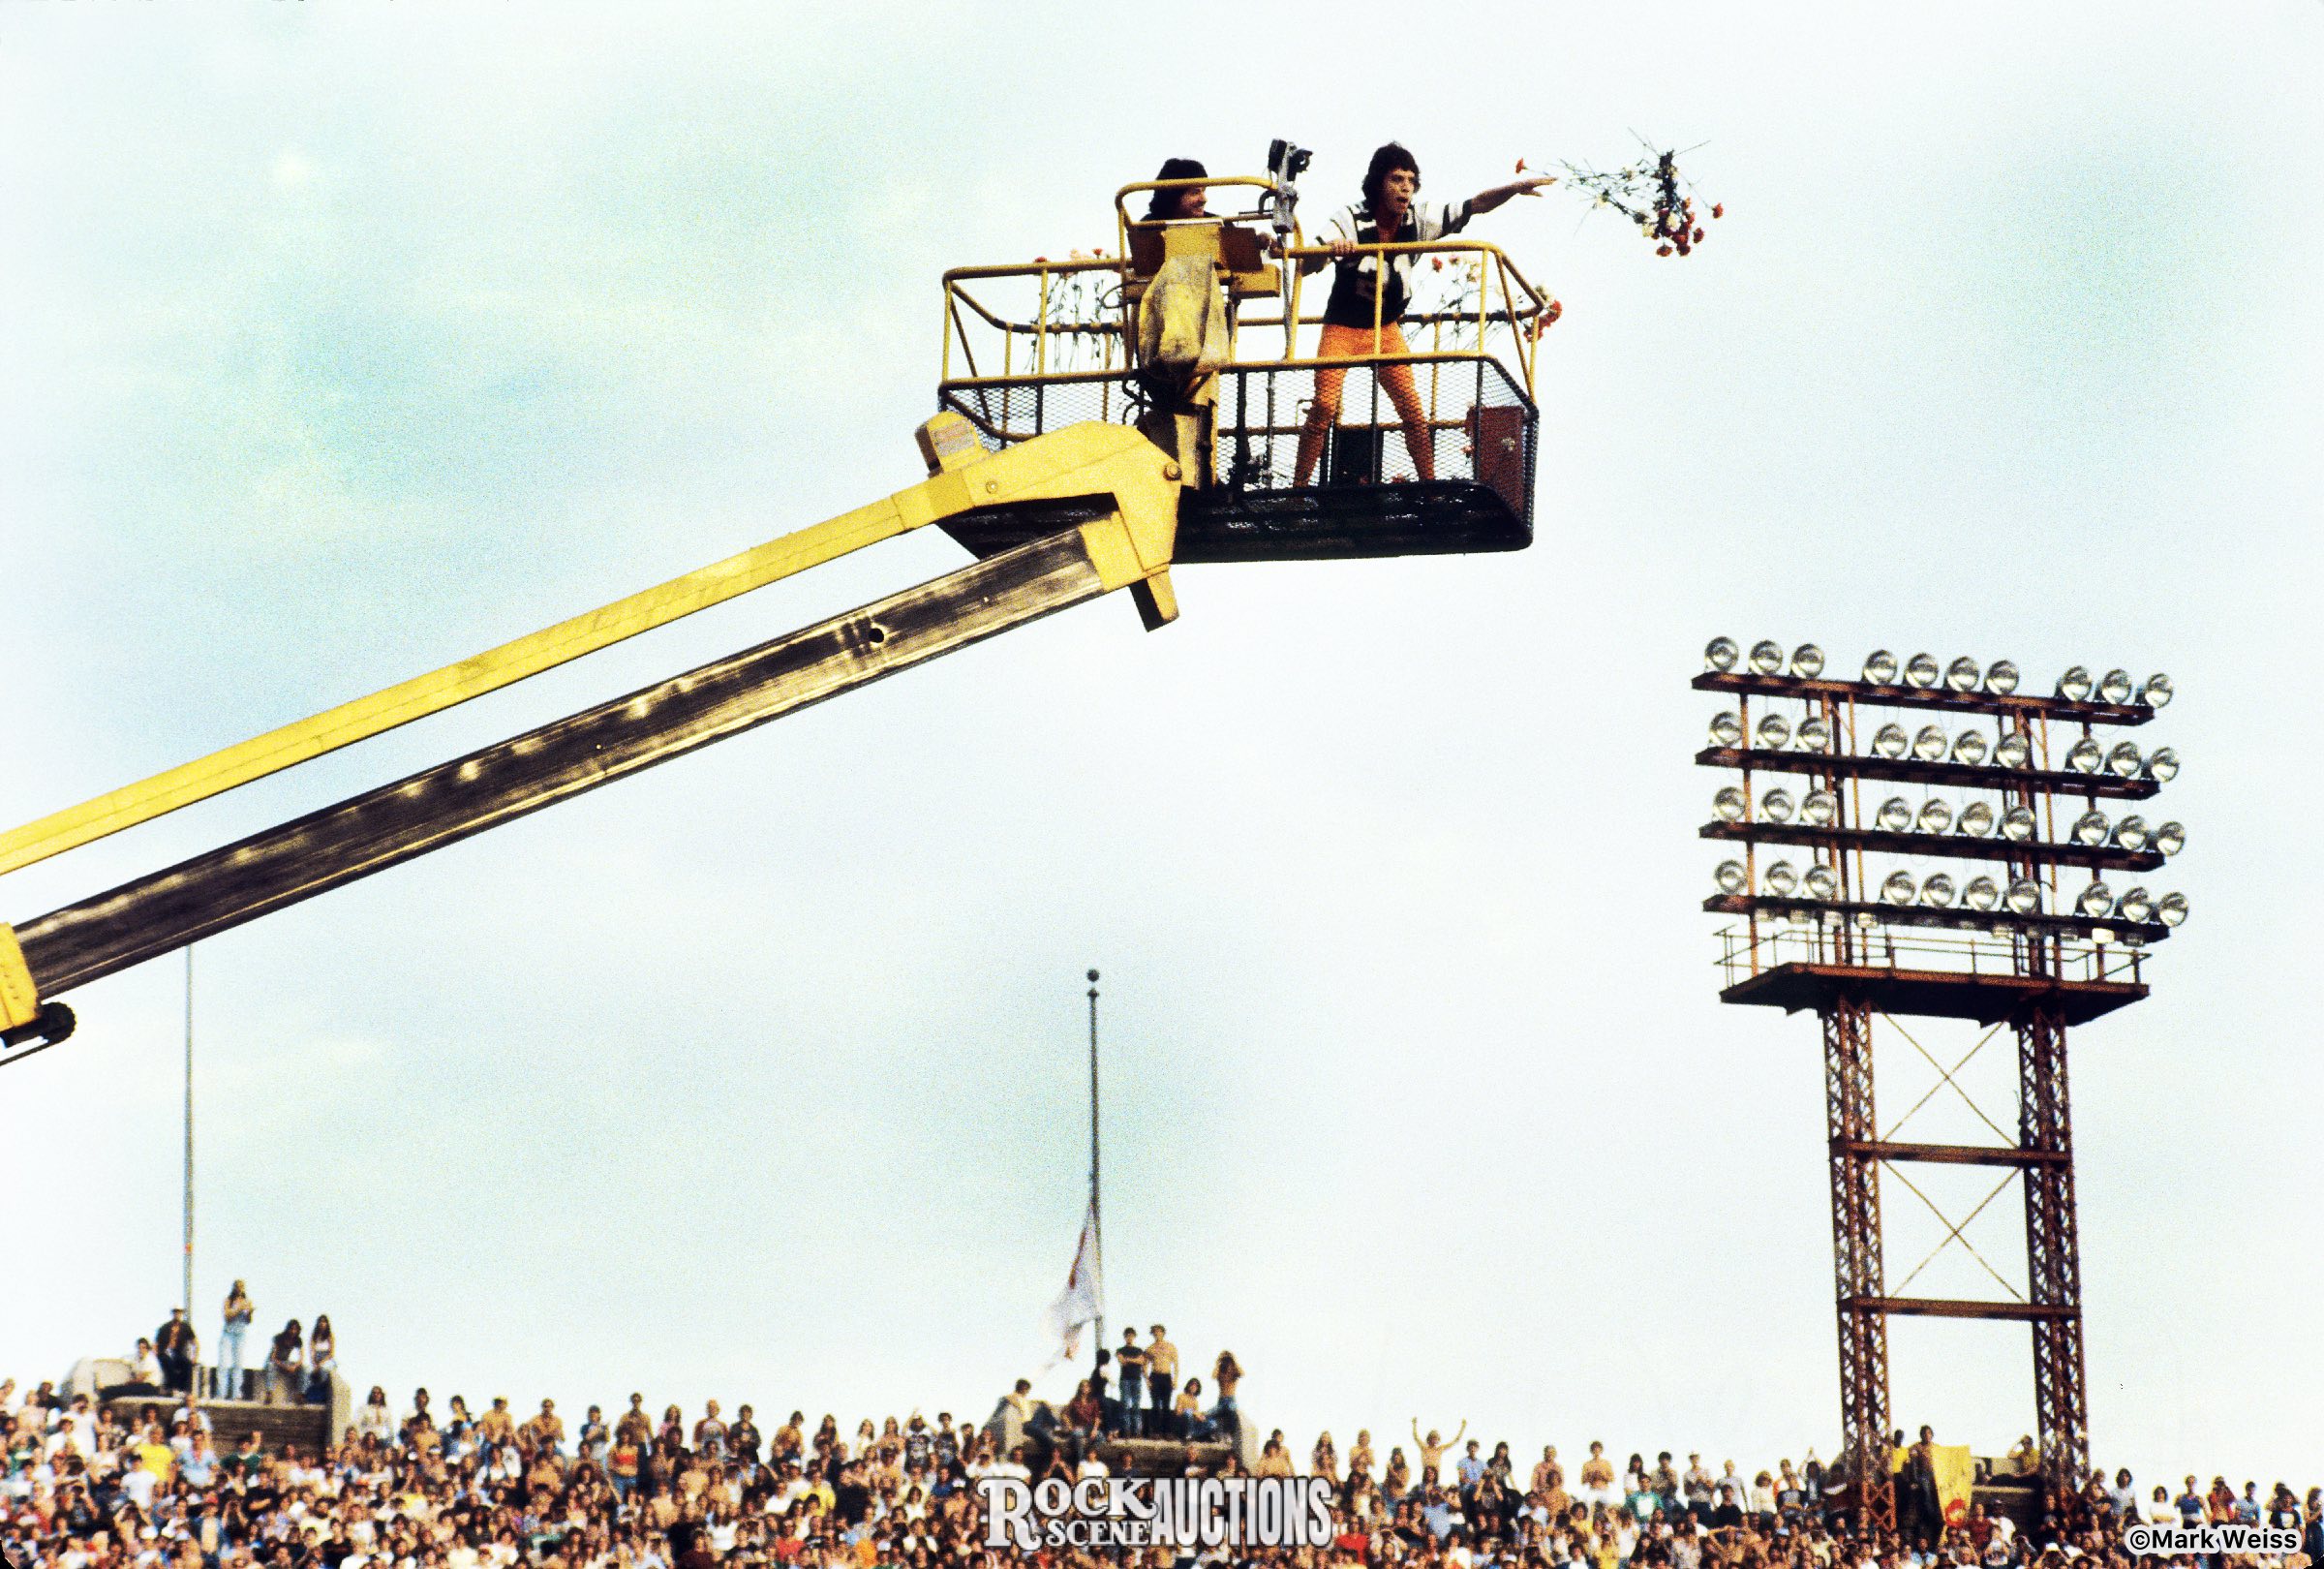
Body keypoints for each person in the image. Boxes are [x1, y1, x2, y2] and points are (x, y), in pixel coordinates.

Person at [1293, 143, 1553, 487]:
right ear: (1378, 183)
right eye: (1396, 179)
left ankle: (1428, 487)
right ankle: (1297, 489)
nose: (1405, 188)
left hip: (1385, 329)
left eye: (1411, 181)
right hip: (1343, 327)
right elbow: (1307, 262)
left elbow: (1474, 205)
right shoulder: (1350, 218)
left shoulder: (1418, 218)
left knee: (1413, 411)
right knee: (1323, 407)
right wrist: (1332, 251)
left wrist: (1514, 189)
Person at [1144, 157, 1208, 222]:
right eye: (1195, 192)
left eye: (1203, 191)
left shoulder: (1214, 224)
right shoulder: (1148, 227)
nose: (1203, 200)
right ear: (1173, 195)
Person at [219, 1281, 254, 1400]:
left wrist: (250, 1312)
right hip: (228, 1334)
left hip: (240, 1334)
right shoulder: (228, 1300)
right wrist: (239, 1309)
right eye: (237, 1287)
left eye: (241, 1287)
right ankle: (221, 1393)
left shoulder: (247, 1301)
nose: (239, 1289)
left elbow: (248, 1321)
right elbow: (227, 1317)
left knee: (238, 1364)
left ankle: (236, 1393)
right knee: (223, 1363)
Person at [156, 1309, 198, 1395]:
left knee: (187, 1364)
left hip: (177, 1354)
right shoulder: (165, 1327)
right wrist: (156, 1355)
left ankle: (186, 1391)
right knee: (168, 1363)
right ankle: (171, 1388)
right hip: (164, 1353)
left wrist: (195, 1357)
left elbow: (195, 1343)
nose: (177, 1314)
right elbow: (156, 1344)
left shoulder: (185, 1327)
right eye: (175, 1312)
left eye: (179, 1312)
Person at [261, 1320, 303, 1405]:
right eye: (291, 1329)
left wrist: (295, 1366)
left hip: (285, 1362)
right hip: (274, 1362)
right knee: (271, 1366)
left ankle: (300, 1394)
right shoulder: (279, 1338)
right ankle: (269, 1393)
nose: (293, 1332)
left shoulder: (298, 1340)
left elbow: (301, 1358)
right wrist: (285, 1367)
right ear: (288, 1329)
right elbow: (273, 1357)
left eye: (295, 1329)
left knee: (303, 1368)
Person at [305, 1314, 335, 1400]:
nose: (322, 1324)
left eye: (324, 1322)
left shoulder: (329, 1335)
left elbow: (331, 1353)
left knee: (323, 1371)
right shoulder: (314, 1336)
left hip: (327, 1359)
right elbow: (312, 1352)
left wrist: (321, 1363)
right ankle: (307, 1395)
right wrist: (315, 1364)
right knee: (308, 1371)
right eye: (320, 1322)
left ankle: (323, 1396)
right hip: (316, 1359)